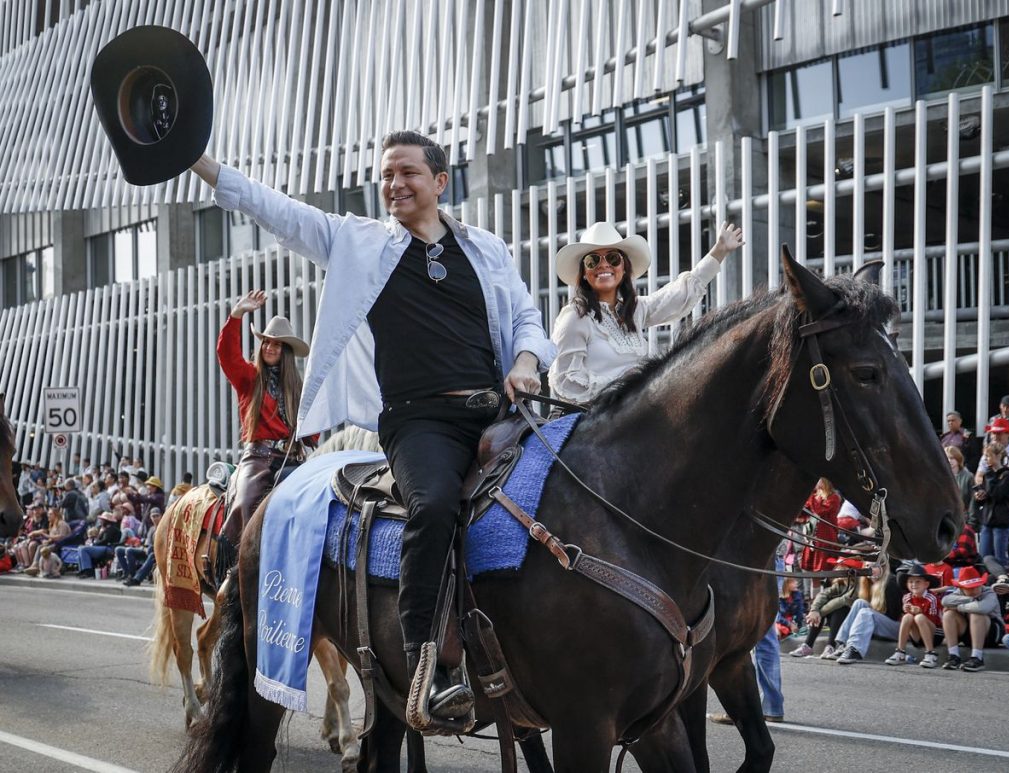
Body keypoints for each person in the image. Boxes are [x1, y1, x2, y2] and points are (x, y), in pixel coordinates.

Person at [190, 130, 553, 726]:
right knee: (434, 506)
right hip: (420, 423)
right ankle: (425, 665)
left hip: (499, 412)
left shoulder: (485, 248)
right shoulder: (357, 242)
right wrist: (200, 164)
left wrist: (526, 362)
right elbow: (274, 209)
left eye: (408, 173)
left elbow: (526, 317)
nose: (394, 184)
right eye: (386, 175)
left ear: (440, 182)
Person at [548, 221, 742, 404]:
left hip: (632, 415)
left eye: (613, 258)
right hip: (592, 423)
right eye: (593, 260)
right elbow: (564, 382)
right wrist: (626, 382)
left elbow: (674, 297)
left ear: (624, 268)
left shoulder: (634, 310)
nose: (604, 265)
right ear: (584, 272)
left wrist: (718, 252)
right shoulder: (575, 316)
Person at [217, 290, 315, 543]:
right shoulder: (249, 377)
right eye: (267, 342)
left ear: (286, 352)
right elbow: (227, 355)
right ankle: (236, 571)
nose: (270, 347)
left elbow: (311, 429)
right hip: (258, 459)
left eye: (277, 344)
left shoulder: (297, 388)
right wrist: (237, 314)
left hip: (292, 459)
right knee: (245, 504)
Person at [791, 557, 862, 659]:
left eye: (840, 568)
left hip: (855, 622)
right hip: (839, 619)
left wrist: (819, 613)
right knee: (824, 607)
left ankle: (831, 646)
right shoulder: (841, 584)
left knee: (839, 609)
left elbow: (843, 600)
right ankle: (808, 645)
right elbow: (823, 594)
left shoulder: (858, 585)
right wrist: (814, 610)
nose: (836, 570)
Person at [834, 564, 903, 664]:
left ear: (882, 568)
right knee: (860, 603)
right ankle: (842, 644)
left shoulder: (890, 583)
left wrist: (872, 614)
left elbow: (894, 615)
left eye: (873, 566)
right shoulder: (867, 584)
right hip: (882, 624)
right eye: (867, 566)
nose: (869, 569)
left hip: (898, 629)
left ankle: (854, 650)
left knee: (866, 613)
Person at [940, 566, 1003, 671]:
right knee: (948, 615)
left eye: (976, 586)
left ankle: (977, 657)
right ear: (961, 588)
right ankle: (954, 656)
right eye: (969, 588)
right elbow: (945, 601)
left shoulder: (989, 592)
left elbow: (983, 608)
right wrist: (970, 599)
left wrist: (958, 607)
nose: (974, 590)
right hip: (969, 634)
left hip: (992, 635)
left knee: (976, 613)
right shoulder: (959, 592)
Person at [884, 562, 943, 669]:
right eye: (910, 582)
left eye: (918, 581)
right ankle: (900, 652)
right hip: (917, 636)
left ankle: (931, 653)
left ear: (926, 584)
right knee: (907, 617)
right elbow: (909, 619)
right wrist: (906, 610)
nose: (914, 584)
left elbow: (934, 621)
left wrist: (920, 612)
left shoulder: (932, 598)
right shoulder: (906, 597)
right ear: (907, 584)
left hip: (935, 635)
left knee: (919, 617)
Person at [969, 441, 1009, 570]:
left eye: (989, 456)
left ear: (998, 456)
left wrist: (988, 482)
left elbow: (997, 494)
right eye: (985, 456)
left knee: (999, 557)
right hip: (987, 520)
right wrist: (979, 496)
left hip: (1001, 521)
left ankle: (1000, 581)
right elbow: (986, 496)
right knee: (984, 556)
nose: (986, 459)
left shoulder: (1007, 474)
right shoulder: (988, 476)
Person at [801, 478, 841, 595]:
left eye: (819, 480)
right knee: (815, 575)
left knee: (830, 573)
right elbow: (805, 510)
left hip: (826, 539)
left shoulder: (834, 498)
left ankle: (831, 598)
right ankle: (814, 604)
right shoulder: (816, 496)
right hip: (814, 539)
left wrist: (810, 495)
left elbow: (819, 511)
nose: (817, 483)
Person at [946, 446, 974, 514]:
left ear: (958, 459)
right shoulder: (941, 477)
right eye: (947, 458)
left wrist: (971, 521)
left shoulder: (968, 476)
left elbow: (972, 501)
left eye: (952, 458)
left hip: (964, 517)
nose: (949, 461)